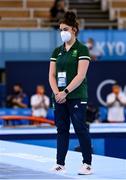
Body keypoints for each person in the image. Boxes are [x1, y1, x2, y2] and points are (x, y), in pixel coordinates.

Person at [49, 11, 92, 175]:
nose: (62, 33)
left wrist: (65, 91)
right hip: (59, 97)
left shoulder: (82, 49)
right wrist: (57, 93)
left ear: (74, 29)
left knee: (80, 128)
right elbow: (51, 75)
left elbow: (80, 75)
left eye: (65, 29)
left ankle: (87, 164)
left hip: (76, 96)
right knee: (61, 130)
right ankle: (60, 164)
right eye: (60, 30)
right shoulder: (56, 51)